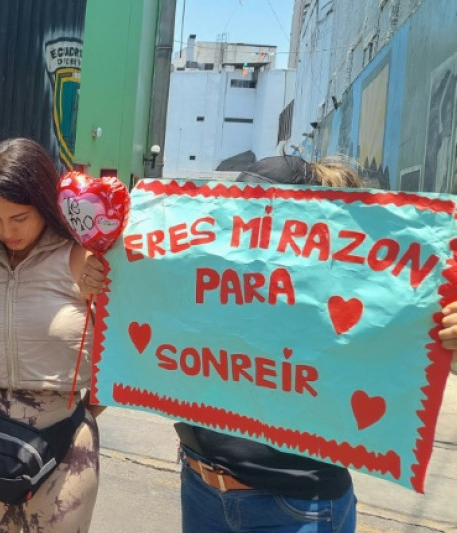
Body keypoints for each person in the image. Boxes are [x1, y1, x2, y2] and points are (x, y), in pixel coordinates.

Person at [80, 154, 457, 532]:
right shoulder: (212, 278)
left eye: (246, 208)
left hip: (296, 509)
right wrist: (100, 277)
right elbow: (145, 337)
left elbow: (400, 336)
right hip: (202, 492)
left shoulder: (337, 289)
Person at [0, 138, 103, 532]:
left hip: (64, 439)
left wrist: (71, 410)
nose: (7, 230)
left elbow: (116, 357)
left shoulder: (83, 259)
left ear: (45, 202)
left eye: (20, 217)